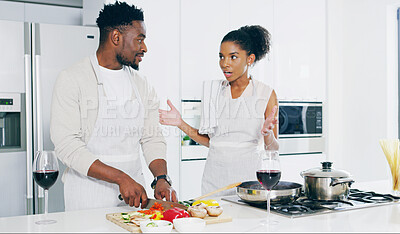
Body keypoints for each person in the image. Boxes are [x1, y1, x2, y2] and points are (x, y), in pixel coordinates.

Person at [50, 1, 177, 211]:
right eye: (139, 40)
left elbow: (152, 137)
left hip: (135, 197)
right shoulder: (72, 78)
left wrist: (161, 178)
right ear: (116, 37)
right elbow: (67, 146)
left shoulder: (142, 84)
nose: (144, 48)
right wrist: (120, 178)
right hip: (88, 197)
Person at [159, 25, 278, 196]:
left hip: (249, 180)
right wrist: (180, 123)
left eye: (233, 57)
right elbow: (212, 141)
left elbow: (273, 148)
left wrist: (267, 134)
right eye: (221, 57)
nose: (225, 64)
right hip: (214, 180)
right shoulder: (213, 91)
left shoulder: (266, 94)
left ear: (249, 59)